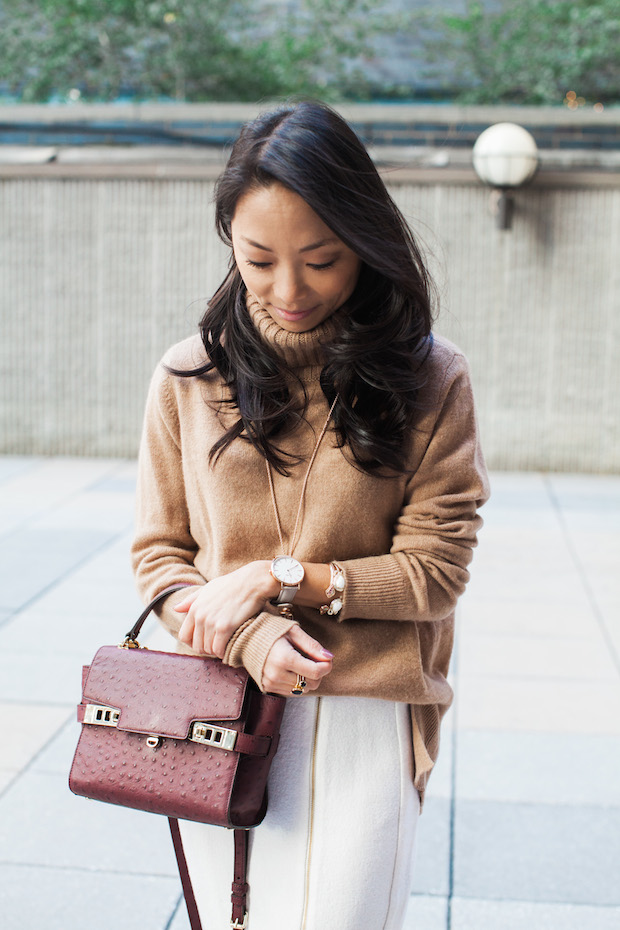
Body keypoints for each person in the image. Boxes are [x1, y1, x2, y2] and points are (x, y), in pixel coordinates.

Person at [131, 100, 489, 930]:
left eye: (322, 261)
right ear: (230, 241)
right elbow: (160, 560)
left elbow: (436, 574)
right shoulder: (188, 377)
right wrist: (250, 632)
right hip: (219, 704)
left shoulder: (434, 379)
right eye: (258, 260)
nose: (288, 291)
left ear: (363, 244)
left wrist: (275, 579)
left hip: (366, 712)